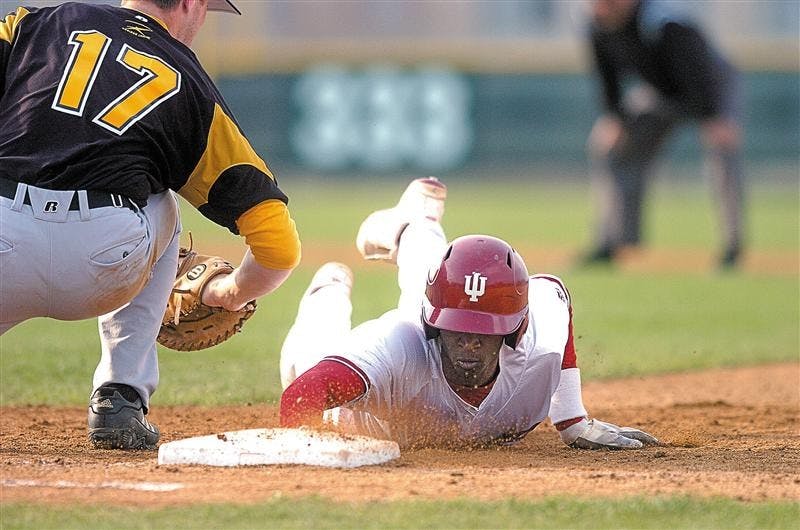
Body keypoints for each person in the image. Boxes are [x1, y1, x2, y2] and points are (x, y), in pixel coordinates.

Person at [0, 0, 301, 449]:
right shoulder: (191, 82)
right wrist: (231, 293)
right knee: (160, 199)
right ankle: (120, 396)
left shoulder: (37, 24)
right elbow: (278, 245)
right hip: (102, 261)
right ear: (188, 4)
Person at [279, 177, 658, 450]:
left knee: (441, 277)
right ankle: (328, 290)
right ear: (434, 325)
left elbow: (555, 293)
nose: (469, 342)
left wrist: (573, 419)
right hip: (362, 408)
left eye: (485, 332)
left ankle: (416, 219)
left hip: (442, 303)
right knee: (305, 358)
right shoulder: (398, 345)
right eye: (457, 330)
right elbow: (300, 397)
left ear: (516, 330)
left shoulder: (539, 331)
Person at [581, 0, 745, 268]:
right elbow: (607, 77)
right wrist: (614, 117)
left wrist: (713, 116)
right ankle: (614, 241)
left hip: (711, 85)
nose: (602, 7)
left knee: (722, 150)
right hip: (659, 92)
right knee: (608, 147)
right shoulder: (597, 25)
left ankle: (733, 246)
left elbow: (698, 66)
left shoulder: (661, 21)